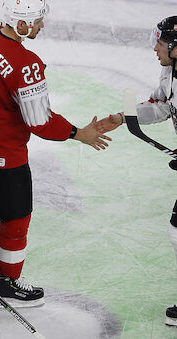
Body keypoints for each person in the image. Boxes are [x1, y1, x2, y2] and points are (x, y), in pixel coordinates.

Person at [0, 0, 111, 308]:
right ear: (21, 24)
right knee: (15, 221)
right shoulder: (26, 63)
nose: (41, 25)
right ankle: (7, 284)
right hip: (3, 156)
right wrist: (79, 133)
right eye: (37, 21)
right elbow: (40, 121)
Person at [98, 16, 177, 326]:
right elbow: (162, 105)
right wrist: (124, 115)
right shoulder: (170, 71)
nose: (154, 48)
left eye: (159, 42)